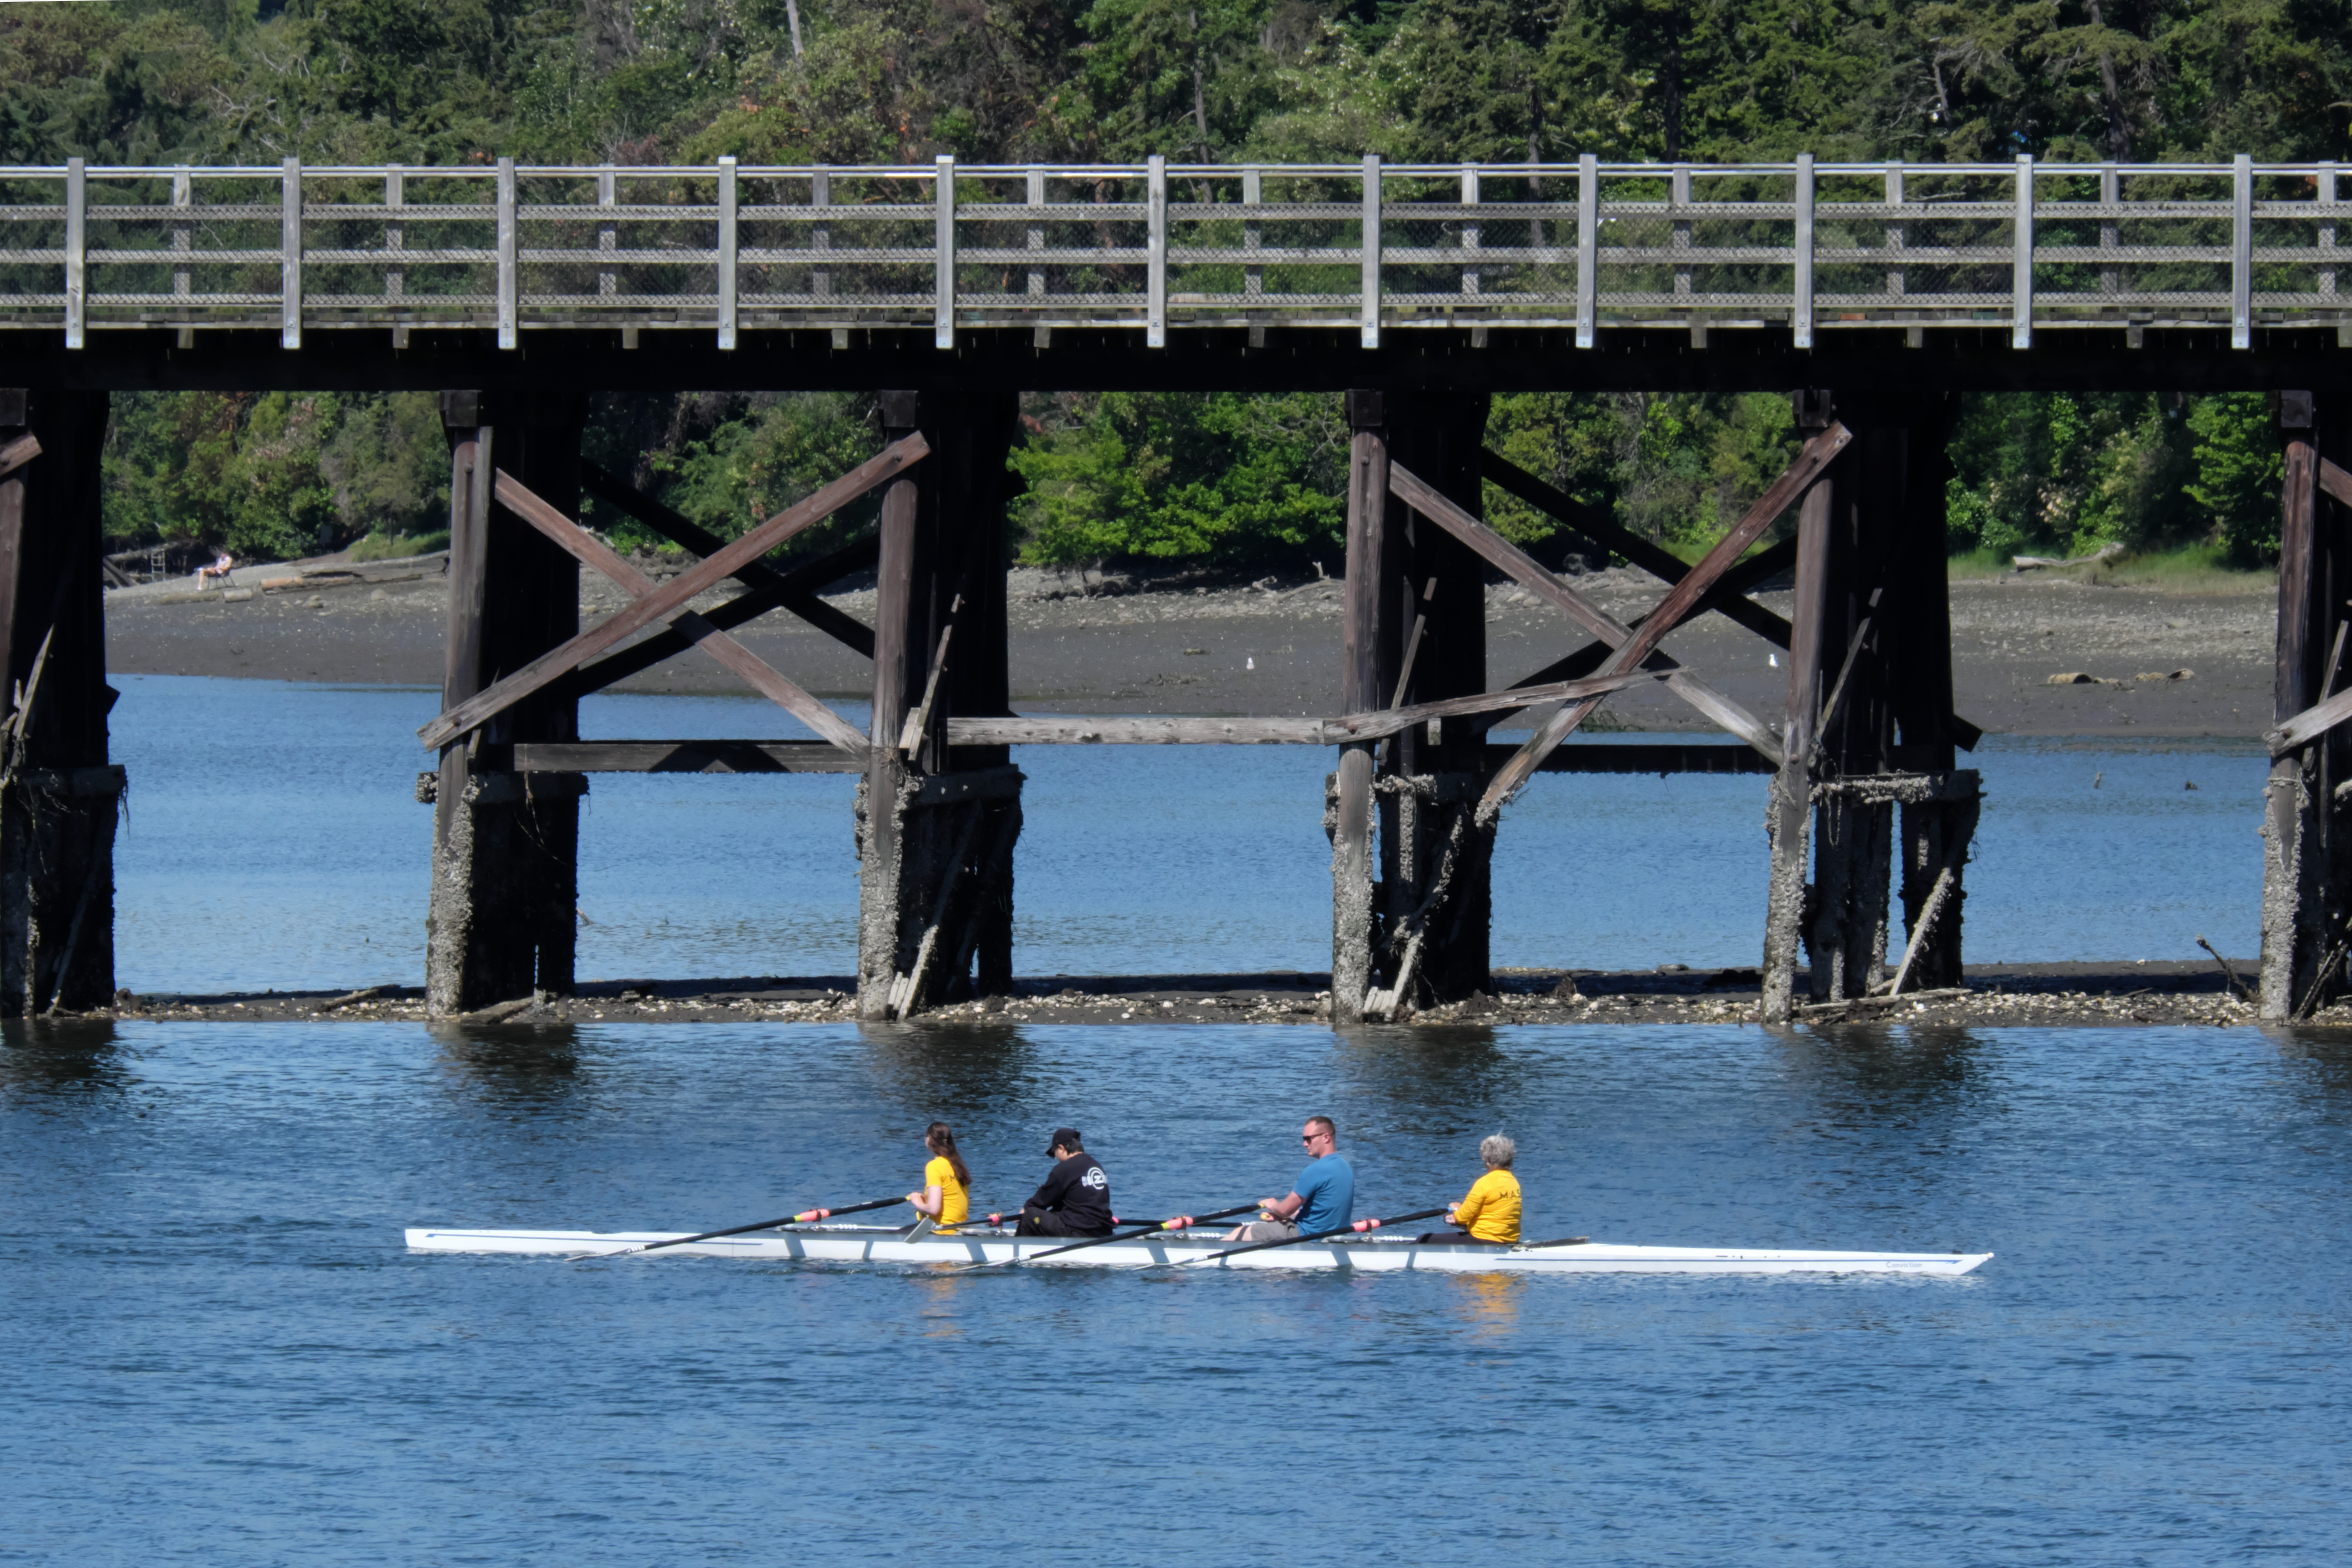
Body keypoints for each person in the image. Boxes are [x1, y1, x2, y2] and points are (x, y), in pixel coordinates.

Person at [1225, 1115, 1354, 1241]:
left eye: (1308, 1139)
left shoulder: (1316, 1170)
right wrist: (1281, 1216)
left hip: (1307, 1236)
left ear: (1326, 1137)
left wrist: (1273, 1205)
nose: (1304, 1144)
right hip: (1333, 1236)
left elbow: (1284, 1210)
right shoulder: (1345, 1167)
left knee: (1240, 1232)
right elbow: (1323, 1211)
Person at [1009, 1127, 1113, 1238]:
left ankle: (1022, 1250)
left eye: (1055, 1153)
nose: (1056, 1158)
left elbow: (1042, 1200)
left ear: (1061, 1148)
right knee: (1053, 1214)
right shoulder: (1096, 1165)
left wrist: (1025, 1210)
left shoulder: (1065, 1168)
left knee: (1030, 1215)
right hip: (1102, 1229)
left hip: (1078, 1230)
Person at [1419, 1134, 1520, 1245]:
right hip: (1509, 1238)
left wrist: (1456, 1213)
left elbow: (1463, 1217)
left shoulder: (1485, 1183)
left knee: (1424, 1239)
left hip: (1485, 1239)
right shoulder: (1513, 1182)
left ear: (1487, 1159)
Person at [905, 1121, 971, 1236]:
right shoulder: (957, 1164)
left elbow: (933, 1209)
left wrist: (918, 1202)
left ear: (929, 1139)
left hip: (942, 1230)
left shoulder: (934, 1166)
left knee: (890, 1237)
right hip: (960, 1228)